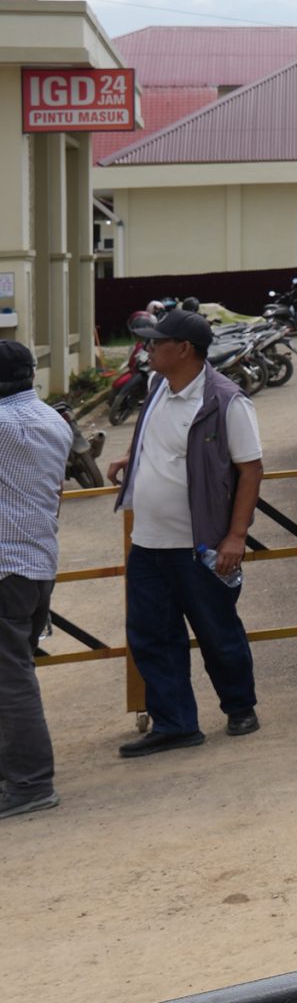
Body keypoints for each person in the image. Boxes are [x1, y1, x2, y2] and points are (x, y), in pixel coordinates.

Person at [109, 308, 263, 756]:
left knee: (217, 631)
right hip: (148, 542)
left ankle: (240, 707)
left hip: (200, 546)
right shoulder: (157, 386)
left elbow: (251, 470)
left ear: (184, 349)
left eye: (157, 342)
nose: (149, 349)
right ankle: (175, 724)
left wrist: (236, 537)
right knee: (151, 635)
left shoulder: (226, 401)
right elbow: (158, 437)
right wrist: (132, 456)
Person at [0, 341, 71, 818]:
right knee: (13, 673)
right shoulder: (52, 419)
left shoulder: (3, 425)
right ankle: (16, 776)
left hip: (5, 567)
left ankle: (30, 784)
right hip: (36, 563)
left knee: (10, 680)